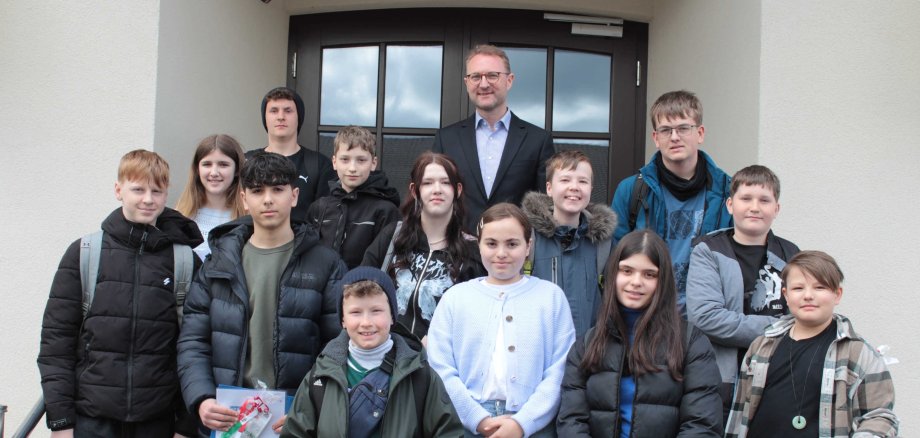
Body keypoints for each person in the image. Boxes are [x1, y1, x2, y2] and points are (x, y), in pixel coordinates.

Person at [177, 151, 346, 437]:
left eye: (277, 190)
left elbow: (338, 348)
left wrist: (310, 406)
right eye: (257, 191)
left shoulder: (327, 265)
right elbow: (193, 340)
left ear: (293, 196)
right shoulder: (218, 263)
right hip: (229, 419)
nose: (267, 199)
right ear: (244, 199)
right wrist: (202, 399)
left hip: (296, 421)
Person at [38, 150, 203, 437]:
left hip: (158, 422)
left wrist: (187, 427)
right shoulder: (84, 253)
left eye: (157, 191)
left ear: (167, 195)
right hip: (92, 420)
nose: (148, 199)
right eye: (138, 189)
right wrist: (61, 421)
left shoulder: (185, 262)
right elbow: (56, 344)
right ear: (118, 190)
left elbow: (197, 347)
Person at [427, 203, 575, 438]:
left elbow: (560, 369)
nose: (501, 253)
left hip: (533, 425)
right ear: (479, 245)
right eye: (492, 243)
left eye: (512, 244)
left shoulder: (551, 298)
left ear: (528, 246)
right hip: (465, 424)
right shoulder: (455, 298)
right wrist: (478, 419)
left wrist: (523, 423)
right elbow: (440, 367)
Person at [556, 229, 723, 437]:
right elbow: (571, 420)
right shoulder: (588, 343)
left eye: (649, 274)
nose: (636, 282)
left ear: (662, 282)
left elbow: (702, 424)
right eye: (626, 271)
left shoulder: (691, 343)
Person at [726, 251, 899, 437]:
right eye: (798, 288)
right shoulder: (762, 346)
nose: (808, 295)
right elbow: (739, 412)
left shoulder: (858, 352)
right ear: (785, 294)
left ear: (837, 294)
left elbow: (880, 417)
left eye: (819, 287)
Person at [282, 266, 464, 437]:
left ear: (393, 315)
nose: (366, 322)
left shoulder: (421, 377)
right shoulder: (320, 377)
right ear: (342, 320)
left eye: (376, 311)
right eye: (355, 312)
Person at [685, 165, 799, 420]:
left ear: (776, 208)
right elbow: (706, 317)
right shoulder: (708, 250)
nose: (754, 207)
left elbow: (803, 316)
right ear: (729, 205)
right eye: (745, 198)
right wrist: (778, 328)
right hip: (721, 383)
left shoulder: (792, 255)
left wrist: (740, 324)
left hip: (778, 380)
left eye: (764, 200)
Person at [609, 90, 732, 316]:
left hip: (709, 316)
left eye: (684, 128)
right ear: (656, 138)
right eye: (666, 130)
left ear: (700, 133)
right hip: (648, 315)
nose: (674, 137)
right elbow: (616, 257)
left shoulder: (728, 191)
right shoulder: (632, 190)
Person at [361, 152, 485, 346]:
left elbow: (480, 321)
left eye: (445, 182)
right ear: (415, 190)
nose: (437, 189)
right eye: (427, 183)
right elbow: (359, 291)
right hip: (386, 359)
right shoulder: (393, 237)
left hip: (439, 367)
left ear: (457, 190)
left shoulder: (473, 250)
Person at [433, 44, 555, 232]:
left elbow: (544, 208)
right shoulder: (446, 138)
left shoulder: (537, 140)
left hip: (514, 254)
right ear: (467, 83)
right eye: (476, 77)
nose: (483, 84)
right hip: (458, 252)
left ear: (510, 80)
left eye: (492, 75)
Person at [521, 149, 617, 338]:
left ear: (591, 188)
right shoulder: (526, 237)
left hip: (587, 354)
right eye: (565, 180)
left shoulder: (603, 244)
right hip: (536, 351)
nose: (574, 187)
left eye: (583, 181)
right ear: (549, 188)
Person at [306, 125, 400, 269]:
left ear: (373, 163)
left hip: (364, 289)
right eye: (345, 159)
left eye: (361, 160)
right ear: (334, 162)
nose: (352, 168)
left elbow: (386, 264)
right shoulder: (318, 208)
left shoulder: (386, 211)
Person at [246, 86, 336, 221]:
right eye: (274, 111)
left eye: (288, 111)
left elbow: (326, 219)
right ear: (265, 117)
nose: (281, 117)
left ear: (299, 117)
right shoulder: (246, 161)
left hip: (304, 241)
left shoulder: (320, 165)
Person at [175, 134, 246, 260]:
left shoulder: (247, 218)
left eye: (223, 165)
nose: (214, 173)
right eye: (207, 164)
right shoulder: (181, 214)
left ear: (236, 170)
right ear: (197, 169)